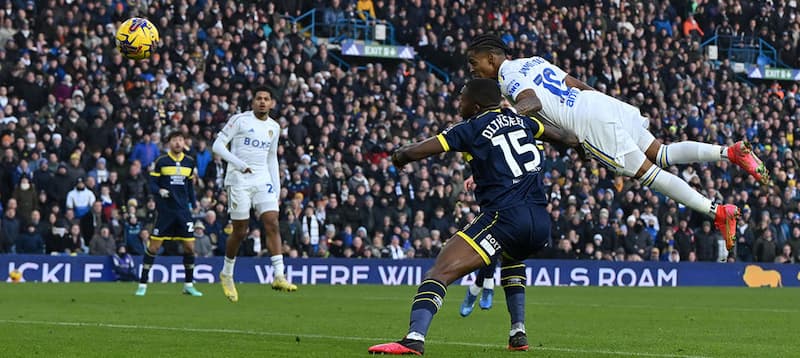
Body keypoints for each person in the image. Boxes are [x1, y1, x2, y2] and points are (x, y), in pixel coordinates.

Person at [465, 34, 769, 250]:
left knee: (649, 174)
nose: (472, 69)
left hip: (588, 121)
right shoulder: (532, 60)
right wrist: (602, 103)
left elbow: (530, 100)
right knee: (660, 152)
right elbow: (572, 82)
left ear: (491, 58)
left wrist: (509, 115)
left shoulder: (507, 79)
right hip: (599, 103)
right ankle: (728, 152)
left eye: (474, 62)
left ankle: (717, 211)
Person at [368, 79, 577, 355]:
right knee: (513, 257)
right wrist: (583, 145)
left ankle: (414, 338)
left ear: (475, 104)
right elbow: (565, 138)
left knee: (439, 271)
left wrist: (399, 156)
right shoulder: (521, 121)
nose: (458, 103)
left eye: (462, 98)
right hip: (540, 222)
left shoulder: (469, 128)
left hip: (504, 218)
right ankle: (518, 332)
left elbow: (418, 150)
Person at [212, 87, 297, 303]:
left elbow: (271, 159)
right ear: (252, 102)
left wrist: (276, 189)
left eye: (266, 99)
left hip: (262, 180)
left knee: (272, 222)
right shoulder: (239, 120)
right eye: (258, 98)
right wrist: (239, 164)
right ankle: (227, 273)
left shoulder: (274, 127)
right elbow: (218, 146)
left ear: (271, 104)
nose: (262, 102)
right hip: (239, 180)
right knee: (240, 231)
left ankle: (279, 275)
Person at [135, 131, 203, 297]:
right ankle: (142, 284)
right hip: (165, 212)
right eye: (175, 140)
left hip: (183, 212)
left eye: (180, 140)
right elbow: (151, 184)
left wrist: (194, 204)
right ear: (169, 143)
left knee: (189, 247)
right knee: (154, 247)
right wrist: (160, 190)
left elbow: (189, 187)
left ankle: (188, 285)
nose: (178, 143)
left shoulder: (189, 162)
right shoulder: (161, 161)